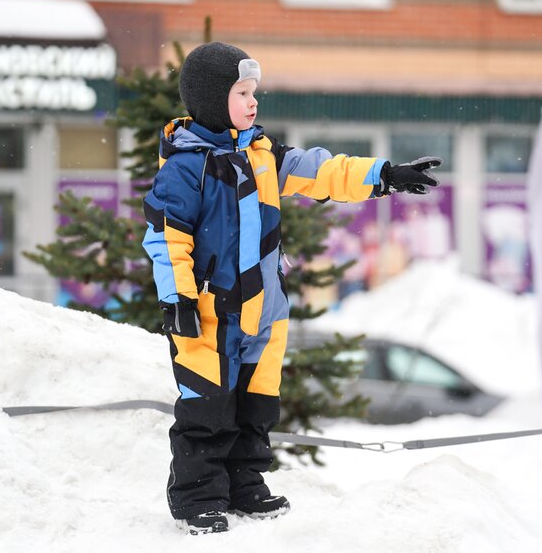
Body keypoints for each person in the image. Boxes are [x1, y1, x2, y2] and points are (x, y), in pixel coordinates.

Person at [141, 42, 441, 535]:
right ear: (214, 100)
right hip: (210, 315)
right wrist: (177, 300)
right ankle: (198, 497)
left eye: (254, 91)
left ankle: (244, 483)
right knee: (207, 408)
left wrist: (384, 176)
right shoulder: (185, 169)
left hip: (265, 309)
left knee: (257, 404)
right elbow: (166, 238)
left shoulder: (264, 156)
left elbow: (324, 171)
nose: (253, 102)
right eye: (242, 93)